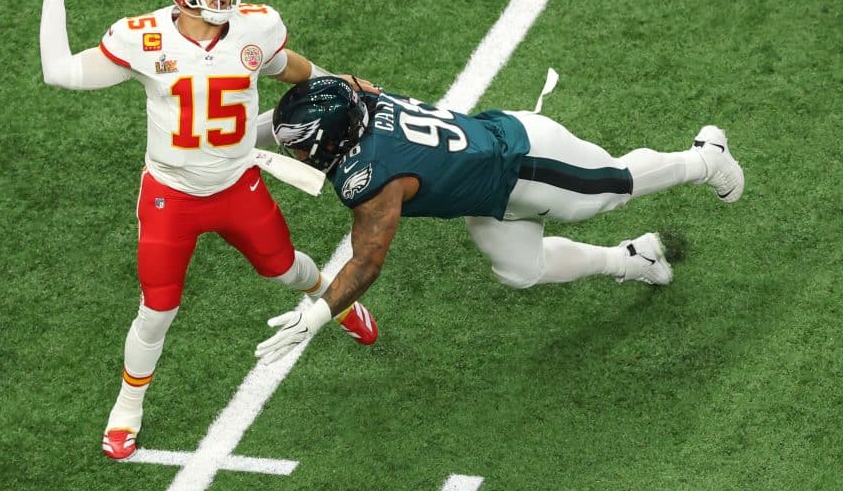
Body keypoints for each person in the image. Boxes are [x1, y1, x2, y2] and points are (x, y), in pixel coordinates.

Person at [34, 0, 378, 460]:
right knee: (158, 309)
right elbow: (59, 72)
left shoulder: (254, 27)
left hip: (238, 183)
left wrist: (340, 83)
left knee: (286, 269)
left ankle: (333, 298)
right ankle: (127, 407)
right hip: (171, 196)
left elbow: (287, 66)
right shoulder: (142, 38)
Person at [254, 76, 744, 364]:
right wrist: (235, 141)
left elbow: (366, 263)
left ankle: (706, 158)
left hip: (526, 161)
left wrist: (315, 317)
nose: (296, 151)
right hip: (485, 190)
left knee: (613, 186)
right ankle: (633, 258)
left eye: (302, 144)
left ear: (332, 140)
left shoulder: (374, 177)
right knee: (521, 270)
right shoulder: (355, 96)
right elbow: (316, 104)